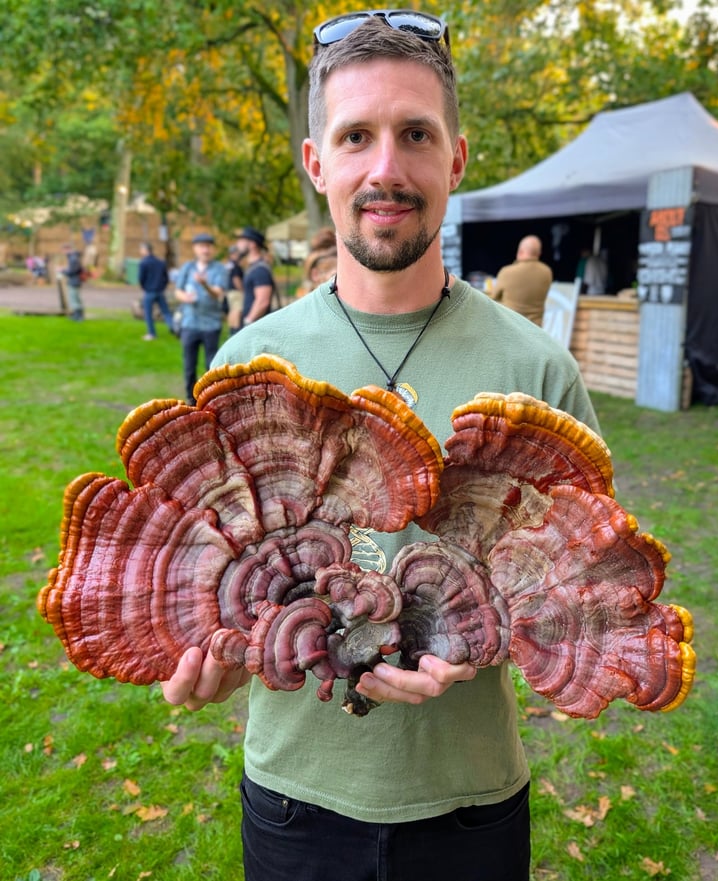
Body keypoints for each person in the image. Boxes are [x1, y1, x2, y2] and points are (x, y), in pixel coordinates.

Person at [161, 12, 599, 881]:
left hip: (469, 803)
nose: (386, 169)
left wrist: (476, 636)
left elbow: (584, 592)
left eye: (415, 135)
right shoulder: (249, 363)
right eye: (356, 135)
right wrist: (203, 655)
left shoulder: (536, 369)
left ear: (457, 160)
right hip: (296, 800)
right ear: (317, 161)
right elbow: (207, 572)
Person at [174, 232, 227, 404]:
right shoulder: (187, 268)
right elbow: (177, 291)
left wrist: (204, 284)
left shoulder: (219, 269)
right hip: (189, 323)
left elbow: (217, 294)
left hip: (211, 325)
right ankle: (191, 400)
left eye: (208, 246)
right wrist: (185, 297)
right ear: (195, 249)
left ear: (213, 249)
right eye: (201, 246)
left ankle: (209, 399)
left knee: (211, 365)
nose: (205, 249)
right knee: (189, 365)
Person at [492, 234, 553, 326]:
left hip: (510, 328)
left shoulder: (507, 272)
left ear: (520, 252)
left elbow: (493, 298)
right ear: (539, 253)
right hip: (535, 331)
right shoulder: (547, 272)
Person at [236, 226, 277, 328]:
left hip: (255, 327)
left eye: (242, 240)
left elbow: (263, 301)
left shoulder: (260, 270)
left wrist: (248, 321)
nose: (238, 243)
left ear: (252, 244)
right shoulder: (253, 267)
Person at [137, 242, 173, 340]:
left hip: (149, 291)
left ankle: (151, 333)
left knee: (148, 313)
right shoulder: (160, 262)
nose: (140, 252)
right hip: (160, 291)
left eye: (141, 250)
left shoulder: (143, 263)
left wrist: (145, 287)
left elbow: (141, 278)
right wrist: (162, 287)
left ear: (145, 250)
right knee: (166, 312)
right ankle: (174, 328)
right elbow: (166, 278)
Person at [60, 244, 86, 321]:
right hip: (75, 280)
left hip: (74, 280)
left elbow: (72, 271)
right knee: (75, 298)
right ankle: (77, 314)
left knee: (74, 298)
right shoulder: (73, 257)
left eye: (63, 250)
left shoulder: (73, 258)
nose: (63, 252)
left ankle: (78, 316)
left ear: (67, 249)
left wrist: (63, 271)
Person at [224, 244, 245, 335]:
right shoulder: (235, 266)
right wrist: (242, 290)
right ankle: (235, 331)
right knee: (237, 310)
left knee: (232, 310)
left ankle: (231, 329)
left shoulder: (228, 265)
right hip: (236, 292)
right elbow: (236, 279)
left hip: (229, 291)